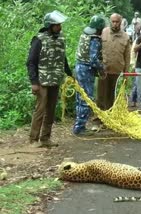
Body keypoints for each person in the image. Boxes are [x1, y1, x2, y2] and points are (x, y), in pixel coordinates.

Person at [26, 10, 73, 147]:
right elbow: (31, 62)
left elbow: (62, 59)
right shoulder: (39, 40)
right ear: (49, 26)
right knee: (40, 109)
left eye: (60, 24)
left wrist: (70, 73)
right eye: (57, 25)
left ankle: (45, 138)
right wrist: (34, 82)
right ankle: (33, 139)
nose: (60, 27)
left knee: (51, 110)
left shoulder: (61, 39)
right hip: (42, 81)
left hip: (55, 79)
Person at [92, 13, 131, 131]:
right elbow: (96, 50)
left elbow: (127, 57)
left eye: (117, 22)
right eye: (113, 21)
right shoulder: (103, 32)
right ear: (110, 21)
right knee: (100, 96)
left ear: (121, 22)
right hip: (103, 71)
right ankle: (98, 120)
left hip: (117, 72)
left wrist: (126, 74)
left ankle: (109, 121)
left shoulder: (125, 37)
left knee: (111, 97)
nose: (115, 24)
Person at [72, 15, 106, 136]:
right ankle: (80, 127)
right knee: (86, 98)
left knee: (80, 97)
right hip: (86, 70)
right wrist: (102, 68)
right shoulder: (94, 39)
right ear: (100, 29)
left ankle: (78, 125)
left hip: (79, 67)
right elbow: (93, 59)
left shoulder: (84, 35)